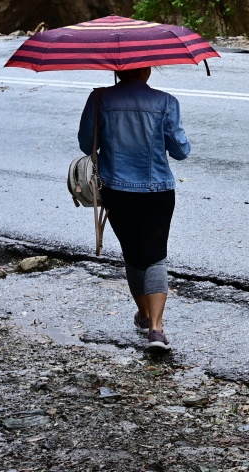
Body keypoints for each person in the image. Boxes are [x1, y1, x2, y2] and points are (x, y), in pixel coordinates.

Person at [78, 66, 191, 350]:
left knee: (133, 254)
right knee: (155, 255)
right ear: (147, 70)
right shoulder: (165, 102)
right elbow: (181, 150)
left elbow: (85, 144)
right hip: (157, 190)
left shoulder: (100, 99)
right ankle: (156, 329)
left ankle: (142, 315)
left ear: (117, 69)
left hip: (116, 190)